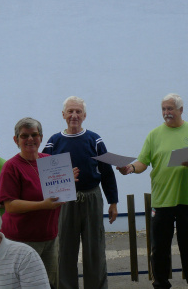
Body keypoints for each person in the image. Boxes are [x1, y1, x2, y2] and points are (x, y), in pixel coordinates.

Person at [117, 93, 188, 289]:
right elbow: (143, 162)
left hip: (187, 200)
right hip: (160, 201)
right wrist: (131, 168)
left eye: (170, 109)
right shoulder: (154, 135)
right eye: (164, 109)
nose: (166, 113)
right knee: (159, 251)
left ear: (181, 110)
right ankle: (160, 285)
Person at [42, 96, 118, 289]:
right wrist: (64, 177)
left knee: (94, 249)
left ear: (84, 115)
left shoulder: (95, 139)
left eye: (78, 112)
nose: (74, 115)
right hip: (65, 201)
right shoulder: (54, 142)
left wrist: (113, 202)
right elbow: (43, 173)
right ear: (63, 115)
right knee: (65, 250)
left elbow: (107, 172)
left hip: (92, 197)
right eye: (70, 111)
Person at [0, 117, 78, 289]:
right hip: (21, 240)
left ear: (41, 137)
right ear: (16, 140)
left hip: (49, 237)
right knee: (23, 285)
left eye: (34, 134)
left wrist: (66, 183)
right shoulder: (11, 167)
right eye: (24, 136)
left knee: (48, 284)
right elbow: (10, 205)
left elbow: (56, 194)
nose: (30, 139)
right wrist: (43, 205)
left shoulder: (49, 161)